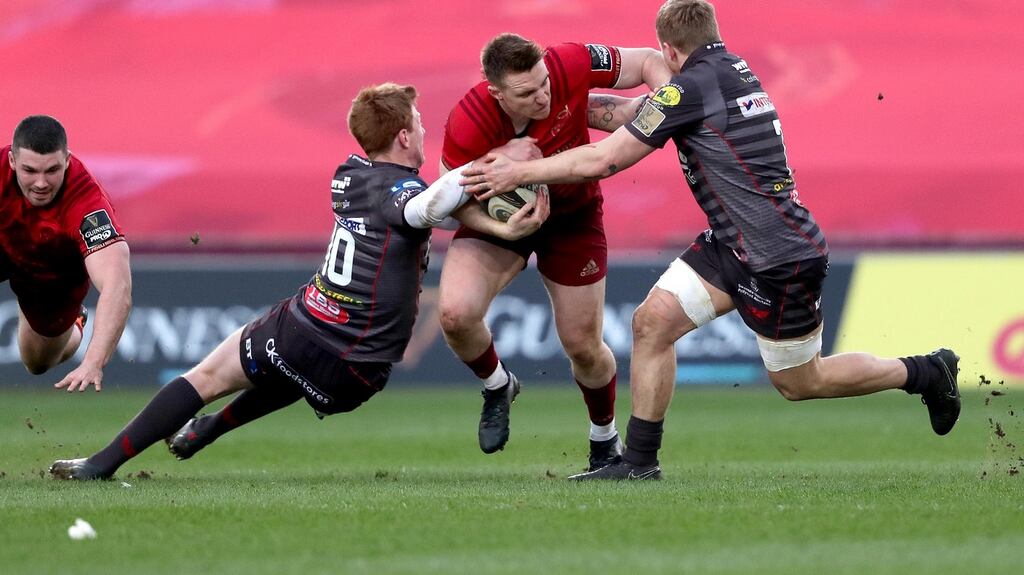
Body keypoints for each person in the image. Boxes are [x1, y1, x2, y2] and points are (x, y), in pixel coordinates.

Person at [461, 0, 961, 481]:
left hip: (777, 255)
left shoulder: (690, 90)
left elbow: (604, 160)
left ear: (670, 51)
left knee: (801, 382)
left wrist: (516, 172)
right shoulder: (728, 71)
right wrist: (566, 109)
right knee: (652, 324)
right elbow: (628, 113)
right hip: (731, 243)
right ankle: (638, 462)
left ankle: (925, 372)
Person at [49, 83, 549, 480]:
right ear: (403, 136)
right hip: (360, 369)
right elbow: (424, 207)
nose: (422, 133)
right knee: (290, 364)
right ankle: (203, 432)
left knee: (213, 375)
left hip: (311, 329)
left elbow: (424, 212)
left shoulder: (349, 174)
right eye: (418, 125)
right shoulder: (403, 191)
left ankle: (104, 461)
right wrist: (491, 166)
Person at [439, 32, 673, 472]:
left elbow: (645, 61)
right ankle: (497, 385)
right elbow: (454, 201)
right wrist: (498, 226)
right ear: (497, 94)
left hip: (572, 217)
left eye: (544, 83)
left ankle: (604, 440)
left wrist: (668, 94)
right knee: (455, 314)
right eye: (527, 93)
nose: (543, 97)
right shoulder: (468, 121)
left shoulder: (568, 62)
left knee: (583, 346)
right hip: (501, 221)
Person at [0, 115, 131, 392]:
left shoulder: (87, 204)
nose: (40, 183)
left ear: (67, 160)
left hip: (51, 273)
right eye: (30, 170)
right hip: (3, 242)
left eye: (52, 170)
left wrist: (93, 361)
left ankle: (75, 322)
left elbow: (117, 286)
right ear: (11, 161)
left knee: (36, 362)